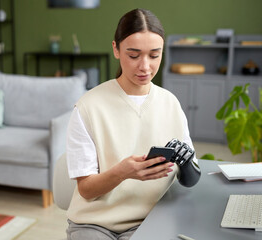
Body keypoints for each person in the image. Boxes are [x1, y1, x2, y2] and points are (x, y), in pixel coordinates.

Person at [65, 8, 199, 240]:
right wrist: (122, 172)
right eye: (134, 55)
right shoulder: (88, 106)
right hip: (93, 223)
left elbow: (190, 178)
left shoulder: (170, 104)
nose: (145, 67)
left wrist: (186, 162)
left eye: (154, 55)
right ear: (116, 49)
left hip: (150, 219)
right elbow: (85, 189)